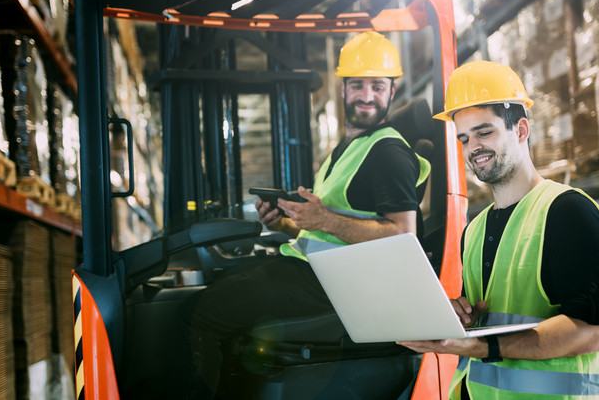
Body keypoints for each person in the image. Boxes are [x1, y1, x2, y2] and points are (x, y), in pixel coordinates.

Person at [178, 31, 430, 399]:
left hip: (334, 285)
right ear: (343, 89)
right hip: (313, 271)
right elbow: (327, 227)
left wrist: (323, 219)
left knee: (197, 312)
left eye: (378, 86)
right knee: (212, 293)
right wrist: (284, 221)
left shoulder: (388, 152)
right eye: (357, 85)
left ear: (392, 91)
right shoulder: (347, 148)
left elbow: (404, 236)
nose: (366, 96)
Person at [398, 60, 599, 399]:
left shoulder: (569, 213)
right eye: (464, 138)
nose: (473, 148)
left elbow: (591, 331)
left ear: (521, 130)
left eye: (485, 132)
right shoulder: (474, 230)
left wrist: (481, 347)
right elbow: (496, 312)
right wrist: (462, 318)